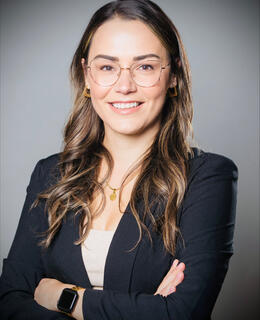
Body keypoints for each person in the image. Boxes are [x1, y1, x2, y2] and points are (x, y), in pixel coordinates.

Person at [0, 0, 238, 319]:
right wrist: (146, 308)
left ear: (174, 76)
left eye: (145, 66)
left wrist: (65, 297)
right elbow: (10, 301)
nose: (124, 86)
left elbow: (182, 313)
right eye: (107, 67)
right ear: (87, 76)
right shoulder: (51, 174)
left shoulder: (207, 177)